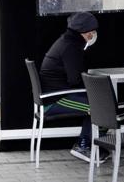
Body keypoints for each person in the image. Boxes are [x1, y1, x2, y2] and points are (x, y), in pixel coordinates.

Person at [39, 12, 106, 163]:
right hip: (54, 101)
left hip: (57, 95)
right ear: (87, 32)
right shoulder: (71, 47)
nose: (94, 35)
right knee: (102, 107)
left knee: (100, 102)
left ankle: (89, 144)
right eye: (93, 32)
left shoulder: (68, 41)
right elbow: (75, 79)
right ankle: (85, 146)